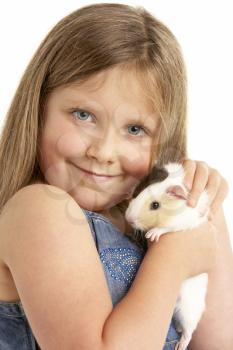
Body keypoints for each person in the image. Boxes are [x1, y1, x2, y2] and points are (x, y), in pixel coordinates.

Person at [0, 3, 232, 350]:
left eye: (135, 129)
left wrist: (202, 214)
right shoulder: (39, 211)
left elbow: (218, 343)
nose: (104, 152)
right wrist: (172, 260)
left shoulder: (144, 228)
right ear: (40, 108)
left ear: (162, 141)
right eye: (83, 115)